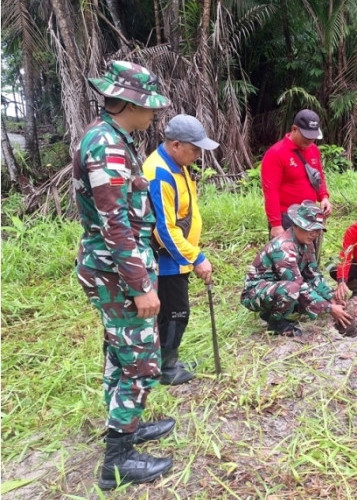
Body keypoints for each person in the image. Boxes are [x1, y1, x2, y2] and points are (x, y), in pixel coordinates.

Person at [73, 60, 173, 489]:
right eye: (149, 106)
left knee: (121, 353)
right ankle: (118, 461)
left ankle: (126, 426)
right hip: (118, 273)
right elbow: (115, 225)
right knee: (140, 363)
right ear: (129, 102)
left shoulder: (116, 138)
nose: (153, 114)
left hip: (114, 269)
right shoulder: (108, 146)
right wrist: (141, 286)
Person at [143, 114, 219, 385]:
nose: (199, 154)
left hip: (178, 255)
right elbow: (163, 229)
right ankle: (167, 367)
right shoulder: (160, 173)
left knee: (172, 311)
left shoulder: (177, 163)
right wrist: (196, 257)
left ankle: (167, 360)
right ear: (176, 145)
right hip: (167, 258)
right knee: (175, 312)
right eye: (195, 148)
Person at [241, 200, 353, 336]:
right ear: (296, 225)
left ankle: (275, 310)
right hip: (255, 292)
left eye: (317, 230)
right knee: (292, 289)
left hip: (277, 285)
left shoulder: (307, 243)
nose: (314, 234)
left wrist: (330, 297)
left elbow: (313, 274)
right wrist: (329, 308)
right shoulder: (283, 248)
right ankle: (275, 323)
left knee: (299, 291)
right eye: (309, 229)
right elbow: (298, 285)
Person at [261, 109, 331, 239]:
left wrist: (324, 197)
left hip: (310, 214)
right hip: (287, 217)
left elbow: (318, 176)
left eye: (313, 138)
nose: (310, 142)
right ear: (294, 129)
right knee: (287, 257)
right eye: (306, 137)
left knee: (310, 256)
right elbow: (271, 191)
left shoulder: (314, 150)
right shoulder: (276, 153)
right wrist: (276, 224)